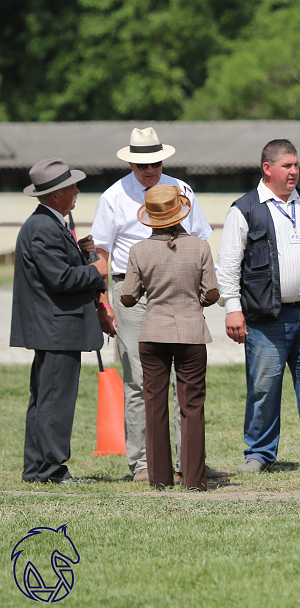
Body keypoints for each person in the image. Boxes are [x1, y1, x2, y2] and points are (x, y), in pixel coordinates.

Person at [90, 127, 225, 484]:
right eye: (142, 164)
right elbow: (101, 255)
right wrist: (104, 301)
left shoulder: (182, 189)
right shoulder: (113, 196)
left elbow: (197, 240)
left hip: (178, 287)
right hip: (131, 292)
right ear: (131, 162)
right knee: (139, 378)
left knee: (185, 381)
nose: (149, 169)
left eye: (155, 162)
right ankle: (144, 462)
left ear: (163, 159)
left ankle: (188, 462)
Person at [217, 139, 300, 473]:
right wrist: (233, 307)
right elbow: (229, 265)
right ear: (267, 168)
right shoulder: (244, 209)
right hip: (265, 316)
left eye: (296, 165)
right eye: (287, 165)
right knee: (263, 388)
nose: (294, 171)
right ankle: (259, 453)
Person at [13, 159, 108, 483]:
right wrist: (97, 269)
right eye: (71, 188)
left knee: (45, 398)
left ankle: (37, 469)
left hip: (53, 327)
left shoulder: (48, 223)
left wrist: (83, 254)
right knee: (55, 400)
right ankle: (52, 470)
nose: (77, 192)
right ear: (55, 195)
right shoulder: (43, 227)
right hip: (56, 327)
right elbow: (61, 279)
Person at [120, 185, 219, 491]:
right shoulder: (200, 247)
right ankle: (194, 478)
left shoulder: (139, 251)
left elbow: (128, 297)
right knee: (191, 406)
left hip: (153, 333)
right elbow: (212, 293)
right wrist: (196, 301)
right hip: (191, 333)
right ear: (180, 212)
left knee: (154, 404)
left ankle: (160, 477)